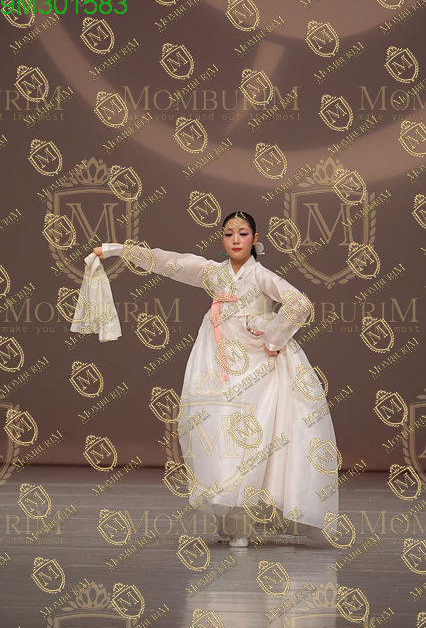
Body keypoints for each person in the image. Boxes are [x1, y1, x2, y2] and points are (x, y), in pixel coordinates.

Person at [93, 211, 339, 548]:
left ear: (255, 239)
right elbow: (167, 261)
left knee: (254, 437)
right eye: (229, 233)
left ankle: (244, 521)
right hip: (216, 360)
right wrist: (115, 250)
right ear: (222, 238)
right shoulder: (213, 273)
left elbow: (299, 304)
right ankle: (232, 520)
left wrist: (272, 336)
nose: (236, 239)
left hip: (257, 364)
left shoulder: (261, 275)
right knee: (216, 432)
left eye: (243, 233)